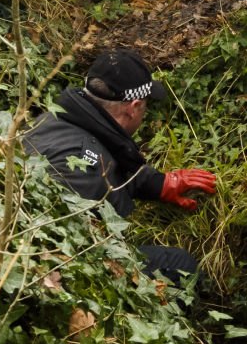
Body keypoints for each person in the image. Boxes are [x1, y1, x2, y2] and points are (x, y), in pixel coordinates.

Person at [25, 49, 216, 281]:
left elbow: (110, 158)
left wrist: (160, 184)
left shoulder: (50, 120)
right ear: (134, 107)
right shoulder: (86, 166)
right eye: (145, 106)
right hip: (56, 266)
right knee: (181, 265)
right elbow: (78, 254)